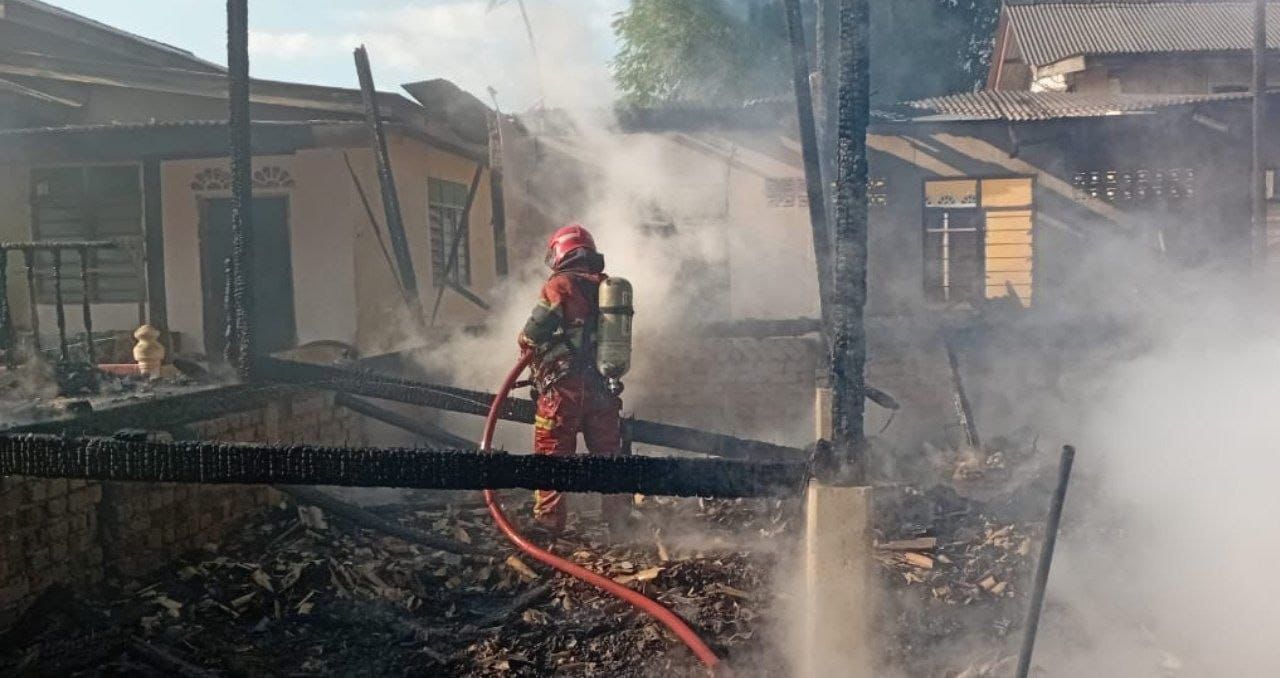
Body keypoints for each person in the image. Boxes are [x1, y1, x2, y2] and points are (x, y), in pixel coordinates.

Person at [518, 223, 626, 531]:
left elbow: (535, 330)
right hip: (603, 387)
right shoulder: (608, 288)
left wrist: (524, 342)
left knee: (551, 456)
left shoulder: (560, 284)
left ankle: (549, 522)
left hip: (564, 390)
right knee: (609, 457)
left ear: (559, 253)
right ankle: (619, 520)